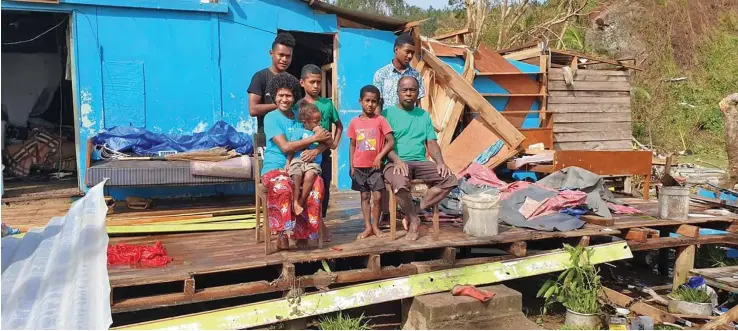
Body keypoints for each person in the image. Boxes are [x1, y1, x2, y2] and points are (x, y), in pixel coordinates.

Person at [260, 72, 331, 251]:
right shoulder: (271, 117)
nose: (284, 99)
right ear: (274, 97)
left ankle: (303, 233)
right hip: (275, 168)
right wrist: (312, 139)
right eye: (280, 95)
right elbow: (285, 147)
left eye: (288, 95)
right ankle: (283, 234)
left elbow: (325, 142)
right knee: (283, 185)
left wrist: (316, 149)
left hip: (302, 165)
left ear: (294, 97)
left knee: (317, 184)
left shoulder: (302, 118)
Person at [383, 76, 457, 241]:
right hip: (396, 162)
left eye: (412, 90)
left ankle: (414, 211)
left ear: (417, 93)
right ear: (398, 92)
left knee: (450, 179)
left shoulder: (423, 115)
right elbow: (384, 144)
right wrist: (397, 160)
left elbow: (431, 142)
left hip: (420, 162)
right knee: (400, 184)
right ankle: (415, 221)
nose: (408, 93)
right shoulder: (387, 114)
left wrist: (440, 162)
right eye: (405, 90)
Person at [348, 85, 395, 239]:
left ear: (378, 103)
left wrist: (379, 156)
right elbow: (353, 144)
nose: (370, 104)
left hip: (375, 167)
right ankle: (367, 227)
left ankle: (376, 225)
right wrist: (351, 165)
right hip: (359, 166)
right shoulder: (354, 122)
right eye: (367, 100)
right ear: (360, 101)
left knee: (378, 197)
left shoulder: (381, 120)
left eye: (373, 101)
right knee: (364, 197)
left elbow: (390, 141)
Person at [298, 64, 343, 219]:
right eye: (312, 82)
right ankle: (303, 218)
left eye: (319, 82)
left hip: (323, 154)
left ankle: (320, 221)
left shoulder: (327, 104)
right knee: (303, 186)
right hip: (302, 155)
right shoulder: (298, 106)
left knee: (323, 187)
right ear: (302, 83)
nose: (316, 86)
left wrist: (334, 143)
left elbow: (339, 125)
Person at [248, 32, 296, 148]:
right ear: (271, 53)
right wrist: (280, 104)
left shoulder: (293, 81)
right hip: (266, 142)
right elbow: (253, 109)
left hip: (290, 141)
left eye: (288, 56)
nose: (284, 59)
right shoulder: (260, 77)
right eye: (281, 55)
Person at [286, 102, 332, 216]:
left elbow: (331, 143)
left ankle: (301, 201)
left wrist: (318, 132)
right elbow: (292, 147)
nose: (319, 123)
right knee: (296, 175)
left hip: (313, 162)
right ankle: (295, 201)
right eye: (316, 121)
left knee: (310, 176)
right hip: (298, 159)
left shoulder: (321, 131)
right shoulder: (298, 131)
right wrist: (288, 162)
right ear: (305, 122)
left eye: (320, 120)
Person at [373, 33, 425, 111]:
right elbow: (377, 104)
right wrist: (379, 123)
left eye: (412, 53)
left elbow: (418, 104)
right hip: (388, 122)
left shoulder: (416, 75)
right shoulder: (381, 74)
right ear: (396, 50)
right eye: (407, 52)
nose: (410, 56)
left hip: (410, 121)